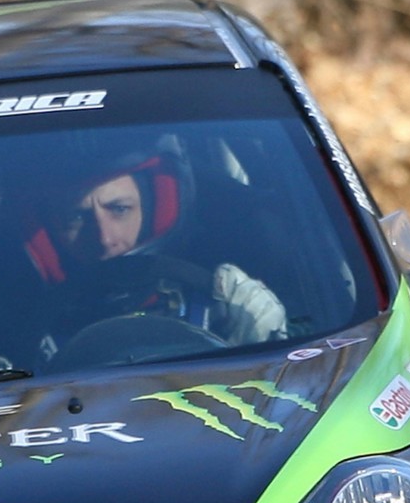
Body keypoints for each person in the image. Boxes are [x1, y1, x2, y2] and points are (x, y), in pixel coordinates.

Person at [24, 139, 289, 349]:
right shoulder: (22, 330)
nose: (104, 239)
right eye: (76, 218)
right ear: (49, 232)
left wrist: (254, 341)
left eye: (119, 209)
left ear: (154, 210)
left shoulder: (221, 305)